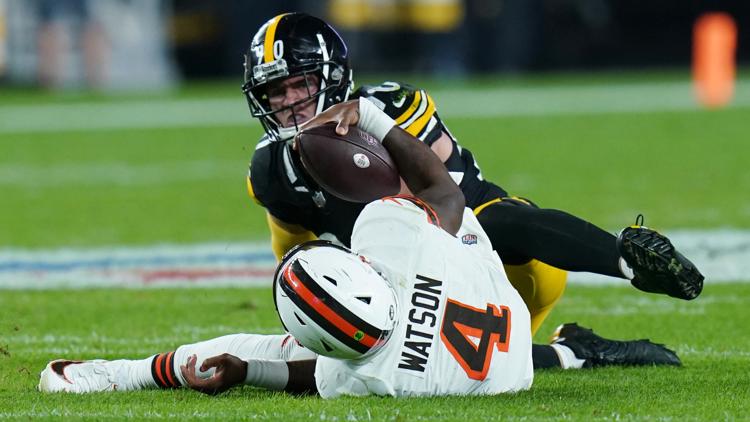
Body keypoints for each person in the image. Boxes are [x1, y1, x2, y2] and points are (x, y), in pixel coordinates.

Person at [39, 100, 680, 396]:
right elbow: (440, 190)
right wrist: (375, 120)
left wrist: (246, 371)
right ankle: (595, 314)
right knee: (486, 218)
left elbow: (296, 367)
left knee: (253, 349)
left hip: (505, 359)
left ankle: (113, 375)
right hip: (491, 300)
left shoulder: (367, 377)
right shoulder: (400, 241)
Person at [243, 13, 704, 336]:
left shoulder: (394, 110)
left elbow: (452, 212)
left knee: (496, 222)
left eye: (299, 83)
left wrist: (371, 130)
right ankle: (573, 353)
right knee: (379, 344)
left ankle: (627, 259)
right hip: (410, 300)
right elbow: (299, 264)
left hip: (504, 264)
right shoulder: (271, 170)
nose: (288, 102)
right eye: (274, 92)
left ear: (334, 75)